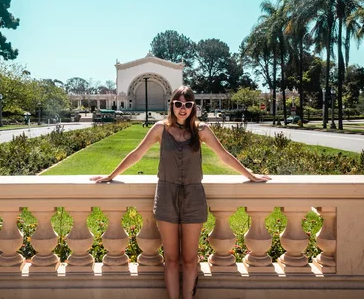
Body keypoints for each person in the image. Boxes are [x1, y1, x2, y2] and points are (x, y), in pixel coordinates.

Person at [91, 86, 271, 299]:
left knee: (189, 258)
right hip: (166, 195)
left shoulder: (201, 130)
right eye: (178, 104)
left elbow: (224, 155)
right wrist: (111, 176)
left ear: (193, 106)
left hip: (194, 197)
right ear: (172, 106)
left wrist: (249, 174)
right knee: (171, 258)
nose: (182, 108)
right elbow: (136, 154)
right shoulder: (160, 129)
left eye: (187, 104)